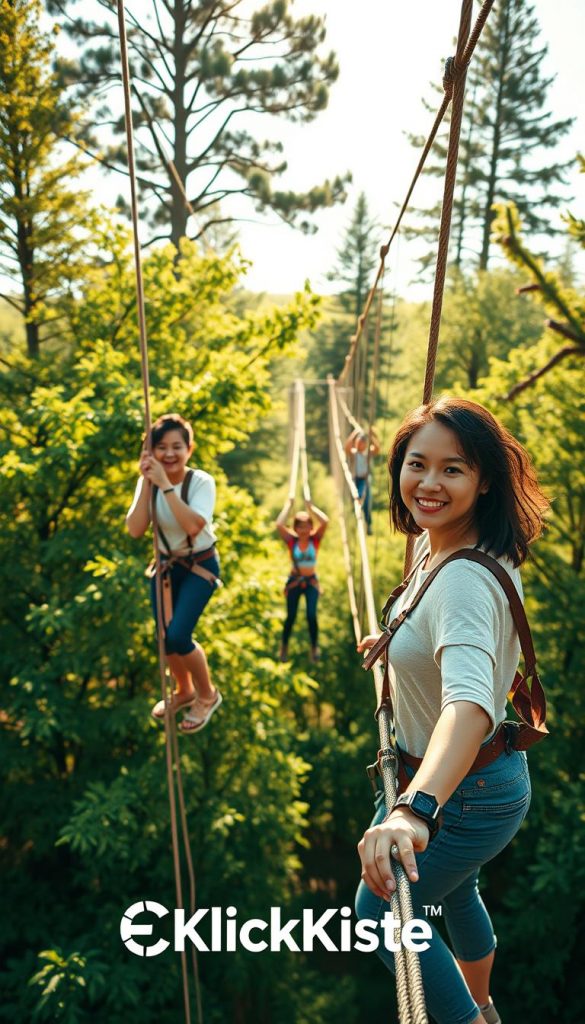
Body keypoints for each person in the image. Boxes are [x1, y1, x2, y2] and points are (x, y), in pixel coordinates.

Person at [355, 396, 549, 1024]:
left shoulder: (463, 578)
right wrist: (396, 645)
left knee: (378, 911)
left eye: (453, 469)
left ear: (484, 479)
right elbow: (442, 637)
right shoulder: (443, 546)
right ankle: (484, 1005)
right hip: (480, 785)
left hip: (458, 793)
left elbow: (468, 705)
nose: (429, 484)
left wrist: (414, 810)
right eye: (417, 464)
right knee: (455, 885)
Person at [126, 413, 222, 734]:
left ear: (189, 449)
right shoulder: (149, 481)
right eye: (161, 447)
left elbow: (195, 524)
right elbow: (136, 529)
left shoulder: (200, 482)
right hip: (167, 566)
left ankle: (207, 694)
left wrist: (165, 485)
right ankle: (184, 690)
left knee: (180, 635)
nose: (169, 454)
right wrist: (146, 483)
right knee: (165, 640)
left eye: (176, 447)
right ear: (151, 452)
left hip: (200, 565)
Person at [275, 497, 329, 662]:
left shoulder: (315, 540)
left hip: (311, 581)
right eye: (300, 527)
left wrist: (311, 507)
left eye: (307, 527)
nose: (304, 530)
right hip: (295, 582)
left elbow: (325, 521)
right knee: (291, 616)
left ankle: (314, 647)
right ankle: (284, 646)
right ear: (296, 528)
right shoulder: (292, 541)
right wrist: (288, 505)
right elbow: (279, 524)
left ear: (311, 527)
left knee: (311, 615)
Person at [344, 427, 380, 533]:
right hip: (355, 480)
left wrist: (372, 436)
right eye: (359, 443)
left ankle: (368, 525)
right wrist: (354, 433)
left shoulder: (367, 454)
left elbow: (377, 448)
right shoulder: (353, 453)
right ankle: (355, 523)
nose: (361, 445)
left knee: (366, 503)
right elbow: (346, 447)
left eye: (363, 443)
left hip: (364, 480)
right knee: (356, 499)